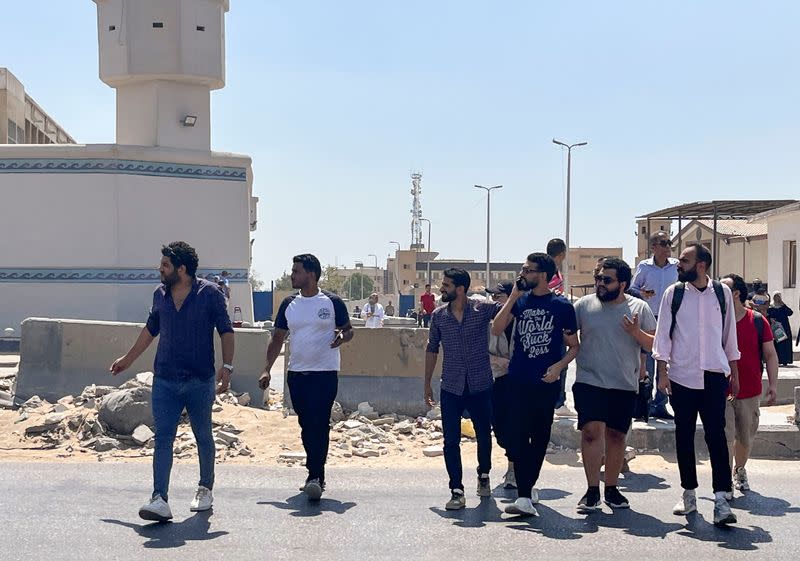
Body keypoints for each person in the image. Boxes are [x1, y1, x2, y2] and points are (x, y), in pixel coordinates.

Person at [110, 241, 234, 522]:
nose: (160, 269)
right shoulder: (160, 294)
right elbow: (151, 329)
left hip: (200, 380)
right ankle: (159, 499)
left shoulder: (210, 294)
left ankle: (205, 488)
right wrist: (128, 360)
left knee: (203, 435)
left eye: (165, 265)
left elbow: (226, 330)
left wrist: (226, 366)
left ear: (182, 269)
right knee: (163, 438)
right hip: (165, 380)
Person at [653, 243, 740, 526]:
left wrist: (734, 374)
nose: (679, 264)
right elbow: (663, 337)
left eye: (685, 260)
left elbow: (730, 337)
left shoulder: (721, 293)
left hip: (714, 375)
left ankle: (721, 498)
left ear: (701, 265)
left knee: (717, 436)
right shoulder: (673, 294)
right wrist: (662, 373)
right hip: (682, 376)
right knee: (684, 435)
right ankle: (688, 493)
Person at [259, 254, 353, 500]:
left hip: (325, 373)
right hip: (296, 373)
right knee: (304, 423)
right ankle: (314, 471)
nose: (292, 275)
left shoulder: (332, 302)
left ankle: (315, 476)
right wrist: (266, 368)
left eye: (296, 271)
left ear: (310, 274)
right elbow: (278, 336)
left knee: (319, 423)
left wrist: (341, 338)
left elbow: (348, 330)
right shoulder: (289, 303)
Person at [492, 253, 579, 516]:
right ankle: (526, 492)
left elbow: (574, 347)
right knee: (515, 434)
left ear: (542, 275)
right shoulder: (520, 301)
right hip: (518, 377)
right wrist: (513, 298)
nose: (522, 274)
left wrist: (558, 367)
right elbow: (496, 329)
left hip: (545, 381)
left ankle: (525, 494)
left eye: (527, 270)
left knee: (539, 436)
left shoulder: (562, 306)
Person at [573, 258, 656, 513]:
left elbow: (655, 345)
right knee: (591, 432)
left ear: (622, 284)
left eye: (606, 280)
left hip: (623, 383)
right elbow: (567, 335)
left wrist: (636, 334)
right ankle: (591, 490)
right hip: (589, 380)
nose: (600, 284)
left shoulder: (639, 308)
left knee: (616, 436)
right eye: (598, 278)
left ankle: (611, 488)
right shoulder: (583, 306)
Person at [424, 268, 499, 511]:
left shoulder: (482, 310)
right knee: (450, 441)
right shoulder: (438, 316)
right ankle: (456, 490)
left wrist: (517, 294)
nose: (441, 289)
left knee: (484, 435)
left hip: (480, 384)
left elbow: (506, 312)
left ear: (460, 289)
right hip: (451, 386)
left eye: (446, 285)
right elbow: (432, 348)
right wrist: (426, 383)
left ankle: (484, 474)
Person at [720, 274, 779, 494]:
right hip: (720, 391)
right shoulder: (714, 320)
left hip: (749, 391)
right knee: (724, 437)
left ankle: (740, 470)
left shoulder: (756, 321)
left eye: (723, 288)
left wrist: (773, 385)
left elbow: (771, 355)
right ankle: (723, 482)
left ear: (736, 294)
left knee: (744, 438)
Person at [631, 231, 679, 420]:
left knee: (666, 361)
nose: (668, 246)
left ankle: (661, 404)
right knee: (647, 360)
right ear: (653, 247)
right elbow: (632, 288)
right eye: (664, 243)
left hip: (671, 318)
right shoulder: (645, 267)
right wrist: (642, 292)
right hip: (649, 318)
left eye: (669, 243)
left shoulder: (676, 266)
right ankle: (645, 403)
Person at [486, 281, 516, 489]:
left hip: (520, 381)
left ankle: (514, 469)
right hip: (499, 379)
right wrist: (499, 362)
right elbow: (483, 352)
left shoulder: (522, 321)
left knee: (517, 426)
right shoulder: (491, 324)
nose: (495, 301)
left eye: (499, 296)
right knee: (499, 426)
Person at [546, 239, 573, 418]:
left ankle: (556, 400)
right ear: (562, 254)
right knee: (559, 362)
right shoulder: (549, 272)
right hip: (552, 325)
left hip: (552, 324)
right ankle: (558, 402)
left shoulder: (549, 270)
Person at [768, 292, 794, 365]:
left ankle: (785, 360)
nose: (777, 298)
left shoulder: (783, 306)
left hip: (785, 327)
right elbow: (768, 315)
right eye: (775, 296)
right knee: (777, 344)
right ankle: (778, 360)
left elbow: (790, 313)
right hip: (776, 327)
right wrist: (771, 319)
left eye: (778, 296)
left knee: (785, 343)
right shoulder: (771, 306)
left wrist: (783, 304)